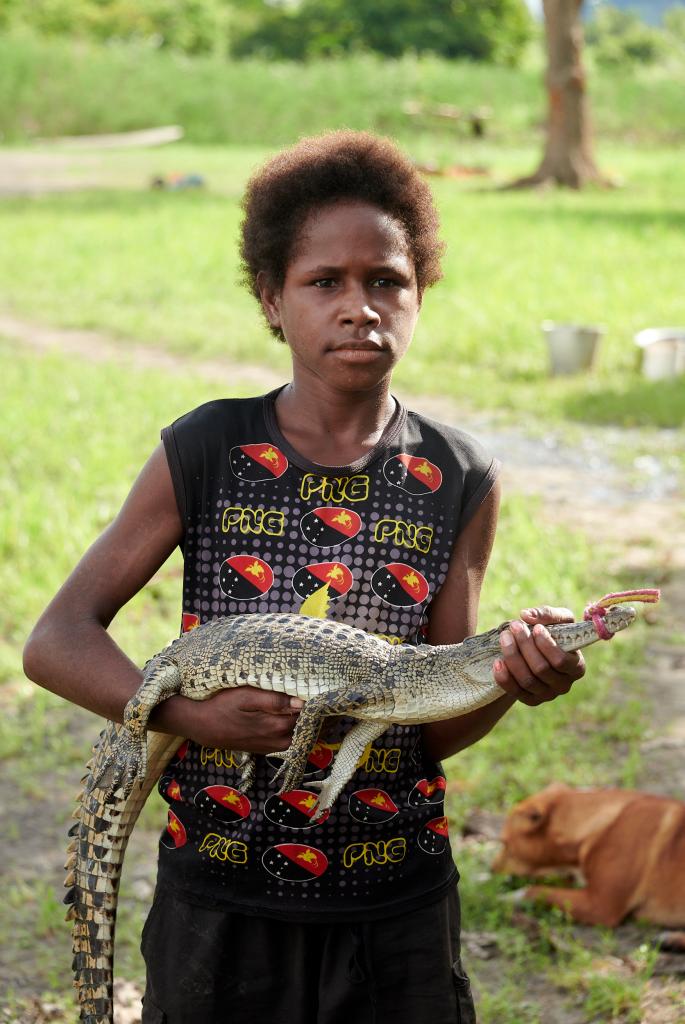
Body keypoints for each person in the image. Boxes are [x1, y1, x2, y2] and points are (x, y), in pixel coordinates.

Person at [23, 131, 585, 1024]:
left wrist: (510, 683)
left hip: (394, 895)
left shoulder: (459, 474)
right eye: (324, 282)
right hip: (220, 889)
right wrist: (186, 714)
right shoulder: (206, 449)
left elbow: (424, 722)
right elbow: (56, 641)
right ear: (271, 300)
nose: (358, 307)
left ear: (419, 292)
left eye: (385, 280)